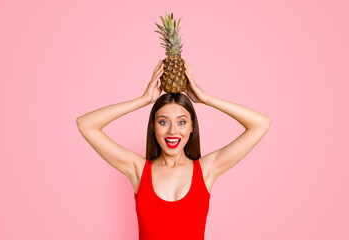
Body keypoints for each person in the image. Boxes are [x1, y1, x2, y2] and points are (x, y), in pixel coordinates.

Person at [76, 59, 271, 239]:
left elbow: (261, 124)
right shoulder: (138, 170)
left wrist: (204, 98)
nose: (172, 131)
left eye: (181, 122)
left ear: (192, 127)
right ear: (153, 126)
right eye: (163, 122)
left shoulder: (206, 170)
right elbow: (86, 124)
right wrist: (143, 100)